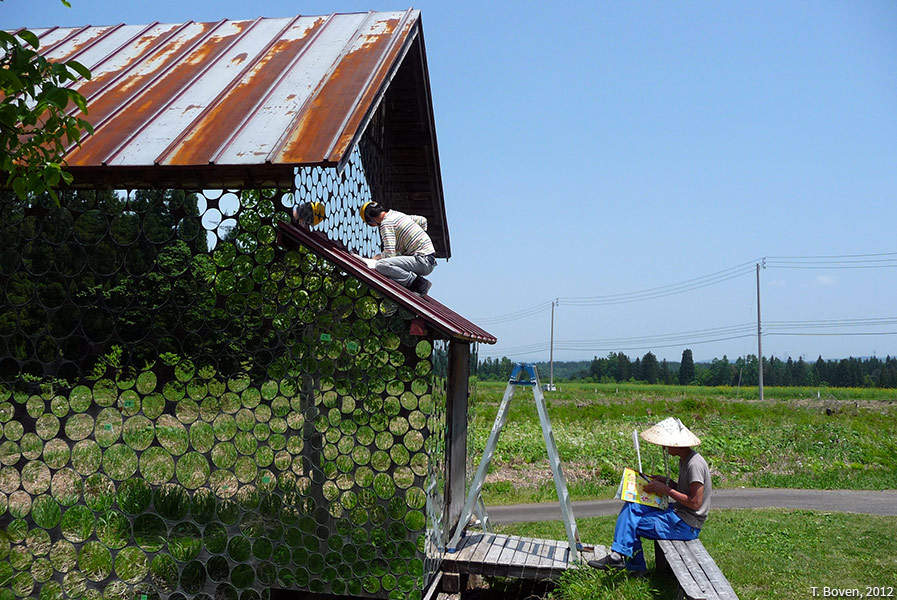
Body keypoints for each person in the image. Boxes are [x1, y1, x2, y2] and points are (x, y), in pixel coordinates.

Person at [589, 417, 712, 575]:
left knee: (633, 525)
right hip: (679, 513)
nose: (663, 447)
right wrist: (668, 483)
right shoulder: (685, 459)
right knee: (633, 505)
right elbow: (686, 491)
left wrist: (666, 489)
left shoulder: (694, 464)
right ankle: (618, 556)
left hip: (687, 524)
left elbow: (695, 503)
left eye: (665, 444)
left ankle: (634, 567)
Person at [360, 201, 436, 295]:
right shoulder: (397, 214)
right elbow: (423, 221)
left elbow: (390, 254)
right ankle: (415, 280)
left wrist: (377, 257)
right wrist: (416, 238)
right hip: (428, 258)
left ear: (371, 220)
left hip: (421, 260)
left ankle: (419, 284)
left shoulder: (386, 224)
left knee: (381, 265)